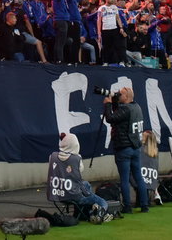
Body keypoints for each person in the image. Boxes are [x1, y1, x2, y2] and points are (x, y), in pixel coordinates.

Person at [46, 133, 112, 224]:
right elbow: (80, 170)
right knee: (103, 202)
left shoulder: (52, 157)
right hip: (73, 196)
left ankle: (89, 211)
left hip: (56, 195)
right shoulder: (77, 159)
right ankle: (98, 212)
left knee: (86, 184)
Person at [102, 86, 148, 214]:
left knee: (124, 178)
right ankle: (144, 205)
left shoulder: (126, 109)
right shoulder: (137, 107)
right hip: (135, 147)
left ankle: (127, 206)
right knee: (138, 177)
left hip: (124, 148)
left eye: (120, 94)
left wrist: (108, 104)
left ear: (126, 97)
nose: (118, 95)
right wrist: (115, 102)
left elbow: (110, 118)